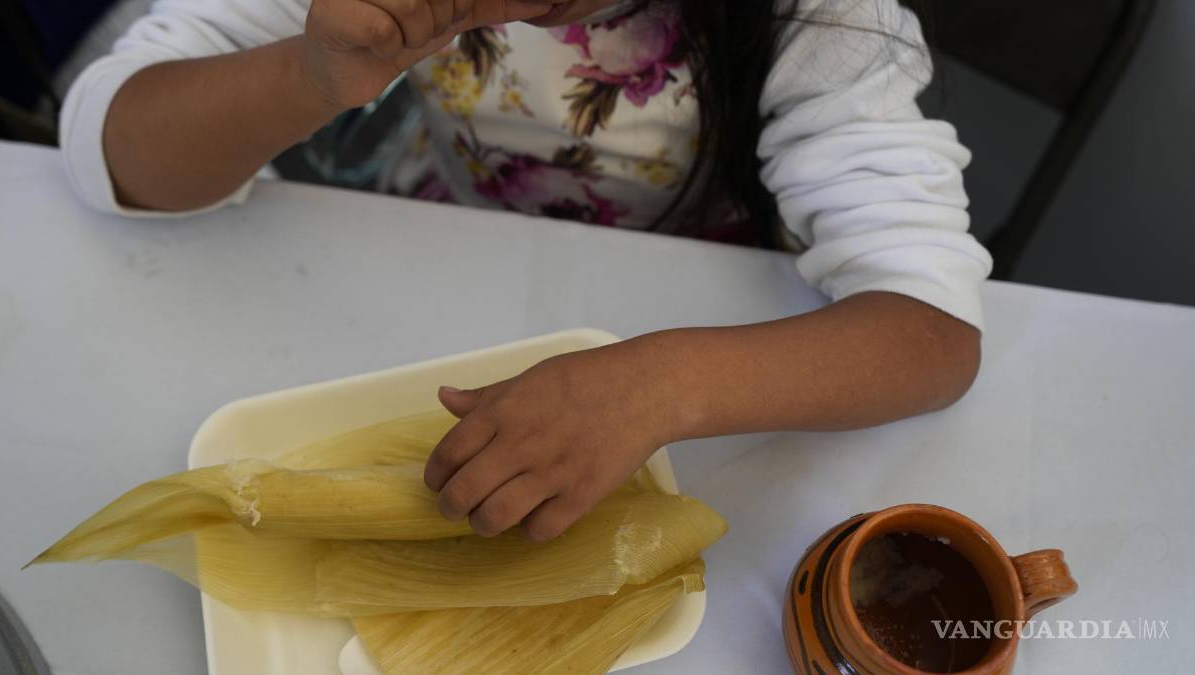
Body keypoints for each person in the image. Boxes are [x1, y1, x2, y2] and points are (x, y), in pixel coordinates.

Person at [60, 0, 993, 542]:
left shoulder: (823, 18)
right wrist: (311, 77)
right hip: (437, 252)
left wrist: (660, 386)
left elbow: (931, 326)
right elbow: (118, 153)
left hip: (703, 312)